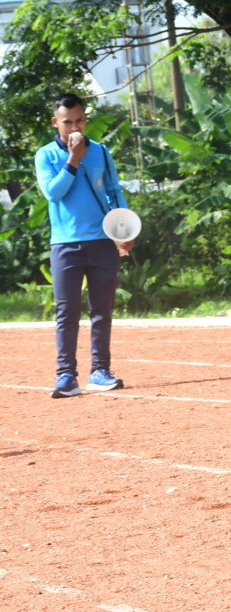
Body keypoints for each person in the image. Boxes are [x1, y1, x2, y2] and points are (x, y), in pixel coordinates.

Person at [34, 93, 133, 398]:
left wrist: (126, 228)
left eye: (79, 120)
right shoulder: (46, 155)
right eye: (67, 122)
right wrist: (73, 159)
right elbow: (53, 193)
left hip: (102, 242)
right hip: (65, 245)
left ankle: (100, 372)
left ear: (85, 119)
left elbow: (114, 192)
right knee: (67, 312)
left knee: (102, 311)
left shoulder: (101, 152)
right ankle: (66, 376)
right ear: (56, 122)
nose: (73, 127)